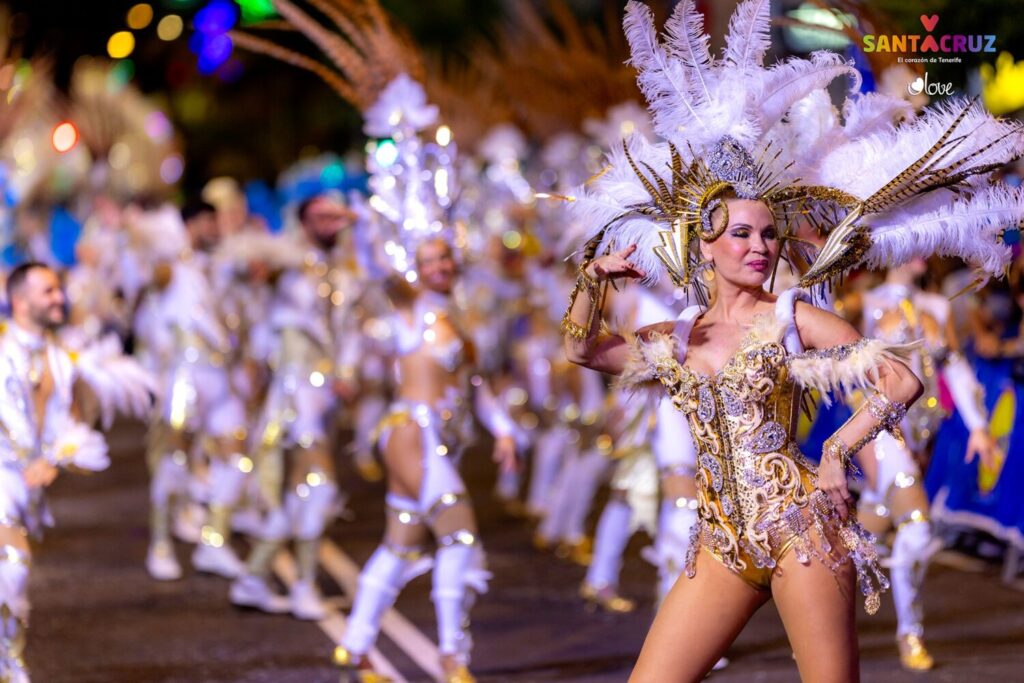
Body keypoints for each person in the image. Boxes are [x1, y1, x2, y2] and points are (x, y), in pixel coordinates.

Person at [333, 237, 517, 683]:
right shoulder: (409, 312)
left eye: (445, 257)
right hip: (413, 435)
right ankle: (452, 655)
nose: (440, 266)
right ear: (414, 268)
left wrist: (505, 432)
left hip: (436, 442)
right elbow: (385, 276)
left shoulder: (460, 321)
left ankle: (354, 647)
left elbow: (477, 389)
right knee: (460, 537)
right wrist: (363, 227)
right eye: (428, 260)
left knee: (400, 545)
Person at [0, 264, 115, 681]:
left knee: (12, 577)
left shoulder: (61, 358)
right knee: (11, 565)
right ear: (20, 301)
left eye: (59, 290)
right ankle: (10, 667)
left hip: (24, 485)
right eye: (47, 291)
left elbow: (75, 425)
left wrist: (56, 456)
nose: (59, 298)